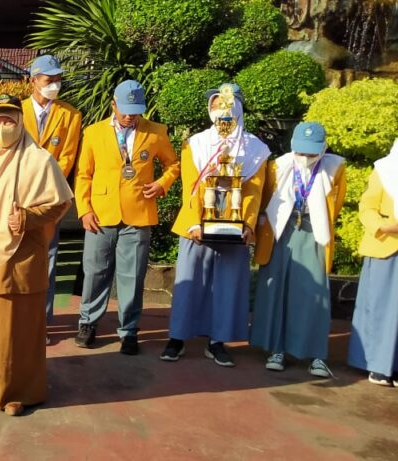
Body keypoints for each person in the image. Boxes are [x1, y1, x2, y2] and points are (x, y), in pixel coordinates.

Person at [0, 94, 73, 416]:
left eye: (9, 119)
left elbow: (60, 202)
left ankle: (20, 392)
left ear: (20, 122)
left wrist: (29, 218)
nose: (2, 126)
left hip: (19, 256)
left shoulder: (38, 159)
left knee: (16, 329)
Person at [160, 83, 270, 367]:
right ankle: (177, 339)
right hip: (197, 222)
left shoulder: (256, 149)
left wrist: (247, 224)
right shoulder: (195, 144)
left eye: (228, 106)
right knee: (189, 281)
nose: (222, 112)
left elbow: (254, 191)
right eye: (217, 105)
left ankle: (217, 341)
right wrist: (194, 223)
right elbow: (190, 186)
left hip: (235, 223)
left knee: (227, 285)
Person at [74, 80, 180, 355]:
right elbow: (84, 174)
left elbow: (173, 164)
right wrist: (84, 209)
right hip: (100, 214)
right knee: (95, 272)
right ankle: (87, 323)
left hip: (138, 214)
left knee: (132, 276)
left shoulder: (156, 132)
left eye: (136, 111)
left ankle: (129, 330)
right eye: (125, 110)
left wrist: (162, 184)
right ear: (113, 105)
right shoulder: (94, 133)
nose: (130, 116)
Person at [251, 122, 345, 378]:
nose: (305, 156)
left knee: (314, 294)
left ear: (323, 148)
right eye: (301, 151)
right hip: (281, 232)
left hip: (315, 232)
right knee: (275, 291)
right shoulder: (278, 166)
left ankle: (316, 354)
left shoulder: (335, 168)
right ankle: (276, 350)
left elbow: (336, 204)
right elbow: (266, 200)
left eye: (311, 152)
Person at [20, 55, 83, 330]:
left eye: (58, 79)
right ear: (33, 81)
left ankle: (41, 322)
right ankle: (18, 317)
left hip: (50, 196)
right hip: (18, 195)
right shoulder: (17, 110)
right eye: (49, 80)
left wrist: (46, 185)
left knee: (48, 256)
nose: (54, 85)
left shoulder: (71, 115)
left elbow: (67, 157)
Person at [348, 138, 398, 387]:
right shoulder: (385, 170)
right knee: (379, 307)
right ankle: (378, 365)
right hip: (385, 245)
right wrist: (385, 227)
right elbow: (366, 207)